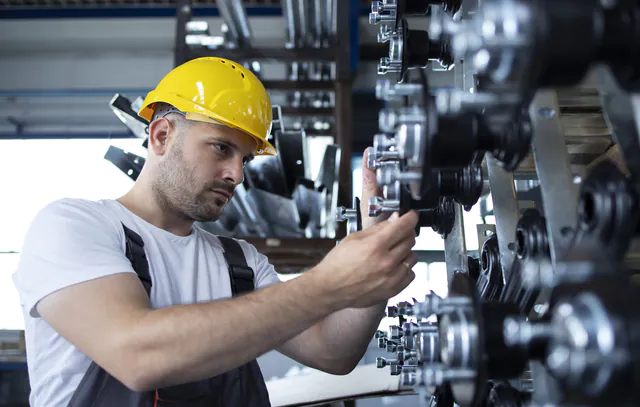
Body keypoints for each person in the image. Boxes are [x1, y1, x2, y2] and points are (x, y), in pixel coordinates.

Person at [12, 57, 419, 407]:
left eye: (245, 157)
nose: (237, 174)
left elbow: (334, 352)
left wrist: (376, 250)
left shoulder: (238, 263)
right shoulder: (73, 227)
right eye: (222, 148)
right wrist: (329, 284)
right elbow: (136, 355)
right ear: (161, 136)